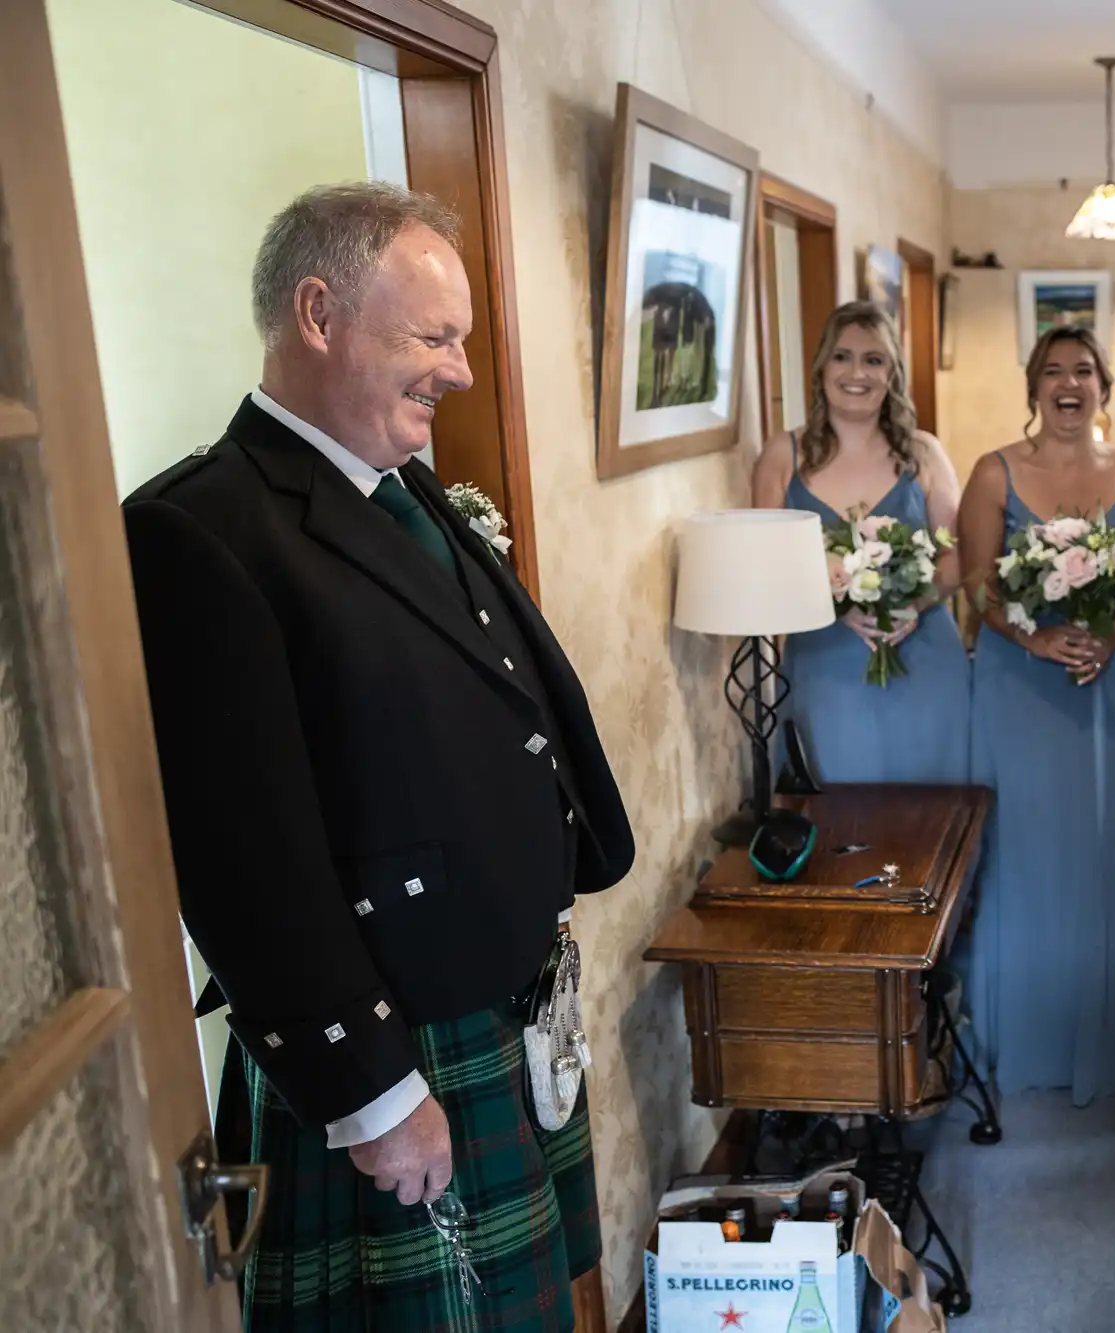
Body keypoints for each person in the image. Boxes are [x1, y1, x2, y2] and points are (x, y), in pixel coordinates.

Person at [123, 182, 634, 1332]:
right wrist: (372, 1093)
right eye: (433, 337)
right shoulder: (199, 532)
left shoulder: (401, 492)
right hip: (396, 1040)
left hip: (493, 996)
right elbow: (242, 853)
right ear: (317, 312)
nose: (458, 370)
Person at [958, 325, 1115, 1104]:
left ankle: (1114, 1036)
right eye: (1054, 371)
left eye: (1084, 370)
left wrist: (1110, 636)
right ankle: (1025, 1037)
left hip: (1103, 682)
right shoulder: (992, 473)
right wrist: (1034, 635)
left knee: (1105, 843)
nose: (1069, 383)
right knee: (1027, 852)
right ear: (1033, 388)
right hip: (1019, 690)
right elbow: (979, 587)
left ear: (1105, 388)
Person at [752, 301, 970, 783]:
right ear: (821, 367)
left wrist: (916, 602)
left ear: (892, 373)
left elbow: (957, 555)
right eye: (842, 356)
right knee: (836, 819)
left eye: (874, 360)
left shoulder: (923, 453)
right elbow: (767, 568)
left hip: (923, 658)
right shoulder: (781, 456)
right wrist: (837, 606)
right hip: (825, 663)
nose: (857, 373)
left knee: (930, 821)